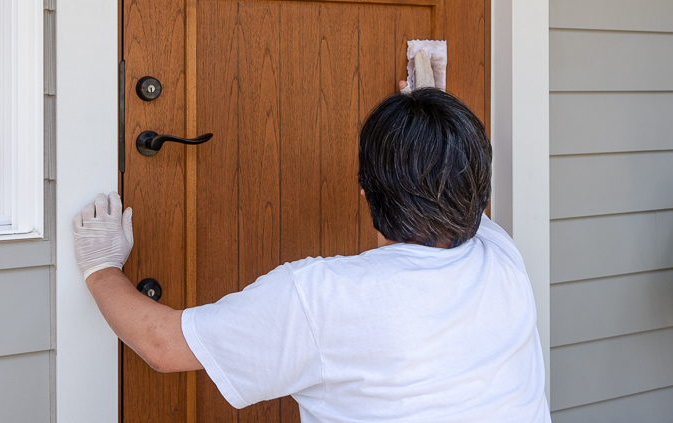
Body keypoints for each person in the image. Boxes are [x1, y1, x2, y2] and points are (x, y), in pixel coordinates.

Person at [73, 87, 550, 422]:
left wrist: (100, 269)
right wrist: (433, 128)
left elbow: (162, 346)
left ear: (365, 194)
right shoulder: (501, 256)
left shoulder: (321, 297)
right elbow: (454, 185)